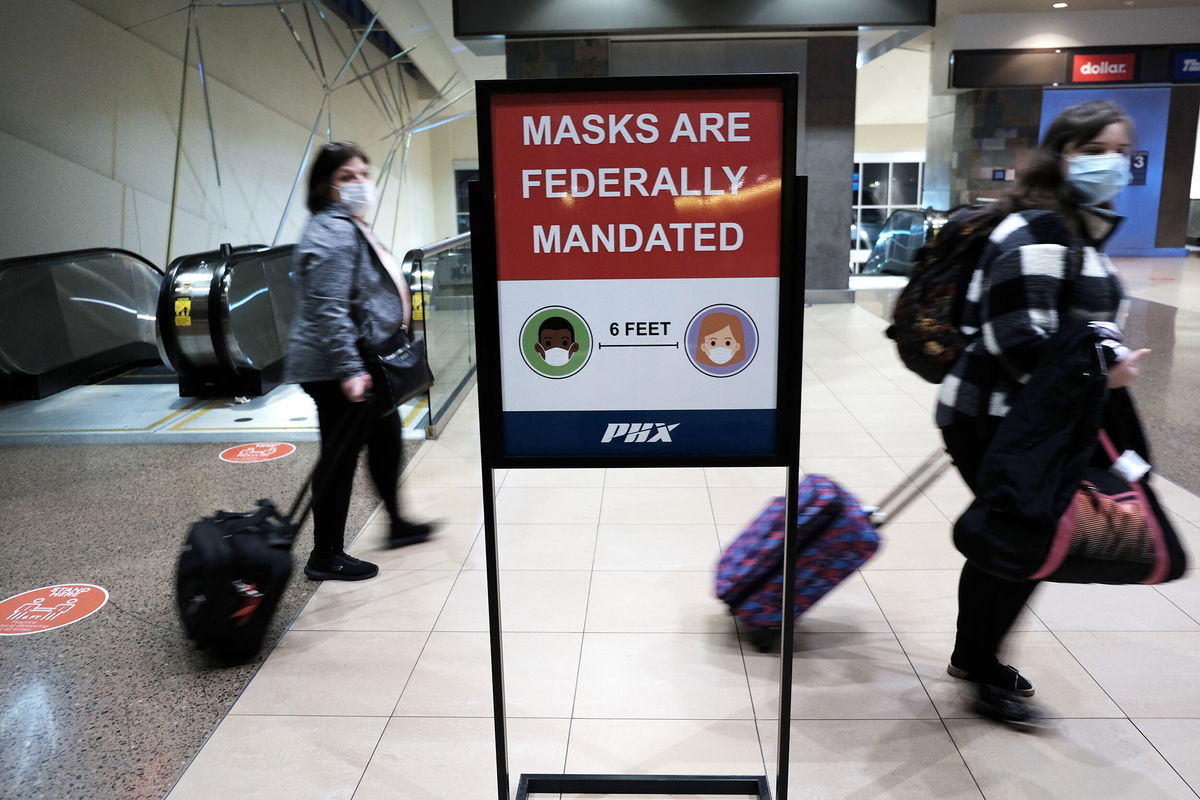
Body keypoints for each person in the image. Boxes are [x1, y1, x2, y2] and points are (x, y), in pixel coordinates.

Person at [934, 100, 1150, 725]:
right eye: (1099, 150)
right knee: (1024, 542)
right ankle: (980, 666)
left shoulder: (1077, 227)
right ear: (1065, 154)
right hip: (994, 418)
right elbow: (1017, 336)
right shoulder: (1041, 229)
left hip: (1034, 419)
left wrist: (1099, 354)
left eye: (1120, 150)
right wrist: (1101, 373)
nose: (1113, 162)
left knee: (1012, 540)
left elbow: (1073, 326)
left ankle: (975, 658)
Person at [283, 141, 435, 581]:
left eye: (363, 175)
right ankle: (324, 555)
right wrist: (350, 369)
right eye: (347, 177)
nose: (360, 184)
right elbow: (329, 307)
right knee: (340, 456)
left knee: (386, 441)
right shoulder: (331, 230)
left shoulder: (350, 223)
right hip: (337, 369)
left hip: (362, 361)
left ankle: (398, 523)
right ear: (326, 186)